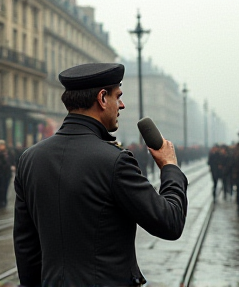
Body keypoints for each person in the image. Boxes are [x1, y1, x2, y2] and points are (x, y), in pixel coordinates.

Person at [13, 63, 188, 287]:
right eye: (118, 96)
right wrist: (170, 167)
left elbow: (26, 247)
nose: (122, 105)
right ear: (102, 98)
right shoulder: (114, 161)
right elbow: (170, 222)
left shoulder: (29, 159)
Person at [0, 140, 13, 208]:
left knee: (5, 188)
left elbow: (10, 161)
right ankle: (2, 201)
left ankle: (4, 201)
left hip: (6, 174)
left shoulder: (7, 153)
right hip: (1, 174)